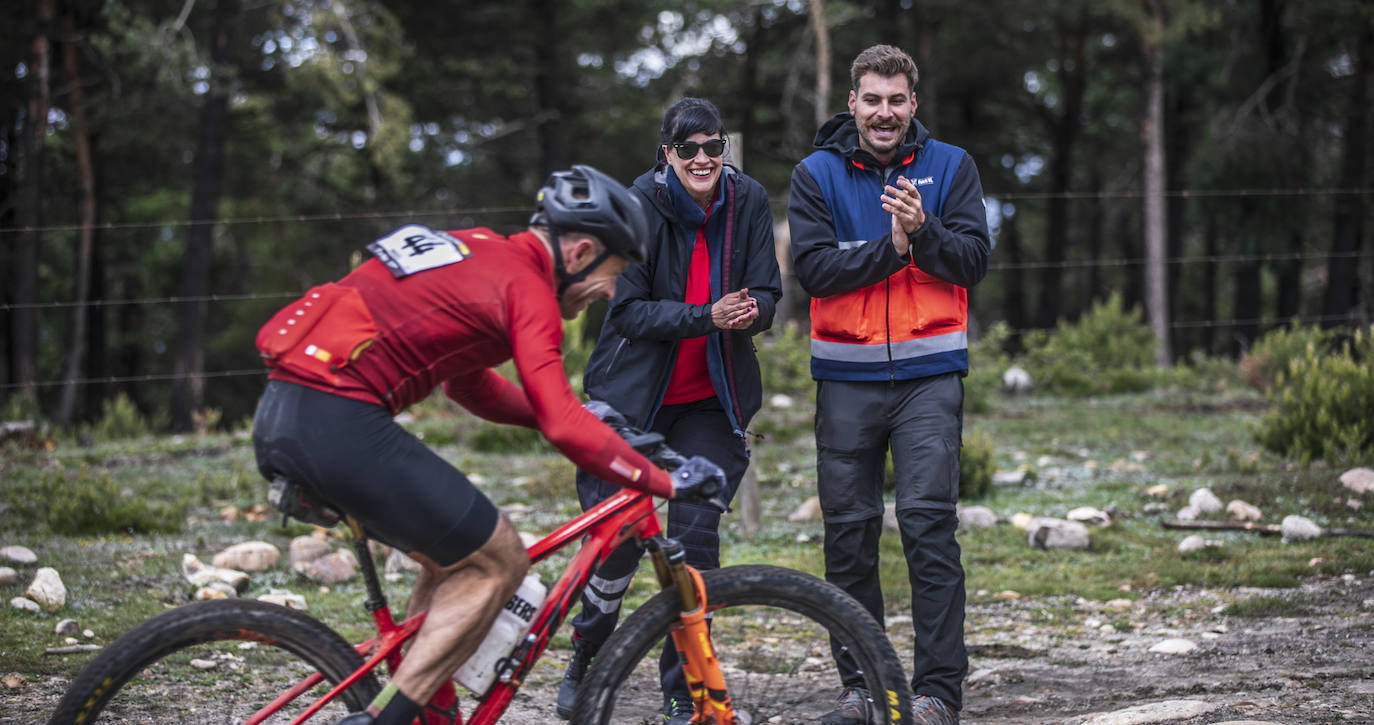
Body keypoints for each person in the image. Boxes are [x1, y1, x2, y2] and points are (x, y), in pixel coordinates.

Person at [249, 164, 728, 725]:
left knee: (456, 558)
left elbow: (469, 386)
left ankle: (429, 711)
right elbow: (561, 426)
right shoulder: (528, 288)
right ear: (579, 253)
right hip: (336, 417)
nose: (611, 292)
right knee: (500, 560)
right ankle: (388, 719)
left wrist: (590, 418)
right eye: (614, 273)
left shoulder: (481, 252)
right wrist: (665, 481)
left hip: (287, 411)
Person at [554, 98, 782, 725]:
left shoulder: (748, 200)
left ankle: (683, 687)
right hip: (633, 402)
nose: (703, 159)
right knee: (618, 544)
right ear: (667, 155)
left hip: (713, 401)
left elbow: (769, 291)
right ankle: (588, 651)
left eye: (714, 147)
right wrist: (707, 315)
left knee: (694, 545)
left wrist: (753, 312)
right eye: (689, 149)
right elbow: (628, 312)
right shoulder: (638, 206)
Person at [787, 44, 991, 725]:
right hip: (847, 381)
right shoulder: (815, 174)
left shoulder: (951, 166)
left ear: (913, 104)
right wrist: (893, 249)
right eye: (872, 99)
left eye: (896, 100)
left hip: (929, 380)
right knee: (848, 537)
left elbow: (972, 262)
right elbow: (815, 271)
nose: (884, 112)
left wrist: (924, 230)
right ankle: (864, 688)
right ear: (852, 103)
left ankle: (937, 695)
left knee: (930, 530)